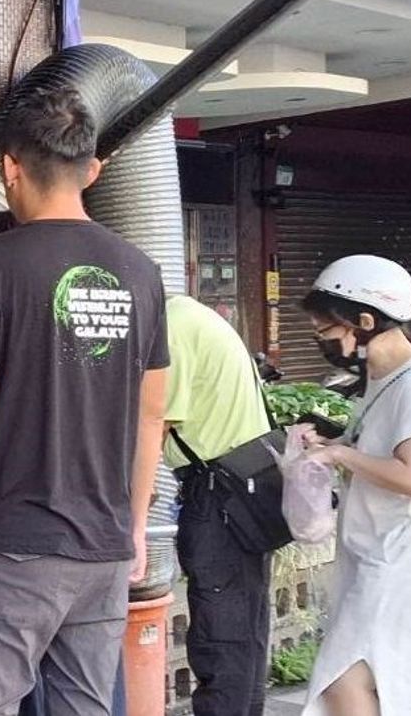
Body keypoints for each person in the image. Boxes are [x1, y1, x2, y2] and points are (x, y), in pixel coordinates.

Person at [0, 86, 168, 716]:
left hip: (14, 548)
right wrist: (136, 525)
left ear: (9, 167)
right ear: (93, 170)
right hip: (104, 548)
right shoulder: (141, 271)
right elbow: (151, 415)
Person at [298, 255, 411, 716]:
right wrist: (334, 443)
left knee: (342, 682)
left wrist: (340, 455)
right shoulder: (380, 381)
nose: (321, 340)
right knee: (375, 687)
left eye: (326, 329)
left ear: (365, 322)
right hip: (375, 554)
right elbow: (380, 452)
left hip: (398, 563)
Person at [163, 294, 274, 716]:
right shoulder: (194, 315)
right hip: (242, 487)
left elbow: (155, 421)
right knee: (244, 628)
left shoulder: (172, 328)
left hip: (217, 495)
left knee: (220, 633)